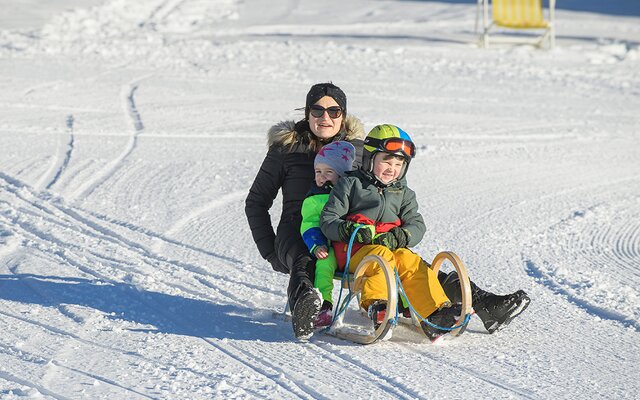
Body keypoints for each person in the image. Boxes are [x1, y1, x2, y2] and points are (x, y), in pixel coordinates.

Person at [320, 124, 466, 340]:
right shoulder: (350, 185)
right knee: (382, 257)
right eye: (386, 161)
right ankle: (378, 306)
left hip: (389, 248)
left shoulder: (403, 193)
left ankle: (434, 314)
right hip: (353, 252)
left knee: (410, 261)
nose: (392, 168)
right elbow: (328, 220)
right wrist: (349, 230)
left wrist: (402, 235)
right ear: (370, 160)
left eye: (399, 163)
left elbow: (417, 224)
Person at [245, 82, 365, 339]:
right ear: (307, 113)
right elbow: (256, 201)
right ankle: (306, 305)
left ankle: (450, 297)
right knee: (305, 261)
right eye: (317, 110)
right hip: (297, 231)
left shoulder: (359, 151)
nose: (325, 117)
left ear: (343, 115)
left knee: (395, 256)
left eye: (334, 111)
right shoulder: (286, 149)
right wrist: (270, 250)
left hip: (345, 230)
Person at [299, 141, 356, 327]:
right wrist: (317, 244)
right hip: (328, 247)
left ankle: (397, 303)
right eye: (318, 172)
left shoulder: (353, 193)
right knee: (323, 266)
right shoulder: (314, 198)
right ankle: (324, 305)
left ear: (341, 174)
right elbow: (309, 223)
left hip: (353, 247)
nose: (321, 177)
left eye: (328, 172)